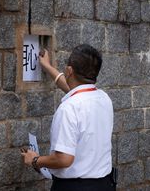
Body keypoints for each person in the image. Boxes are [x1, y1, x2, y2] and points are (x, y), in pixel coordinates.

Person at [20, 44, 116, 191]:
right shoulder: (103, 98)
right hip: (104, 184)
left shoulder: (69, 108)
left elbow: (63, 159)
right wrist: (47, 66)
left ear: (69, 71)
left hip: (74, 187)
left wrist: (35, 160)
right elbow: (74, 89)